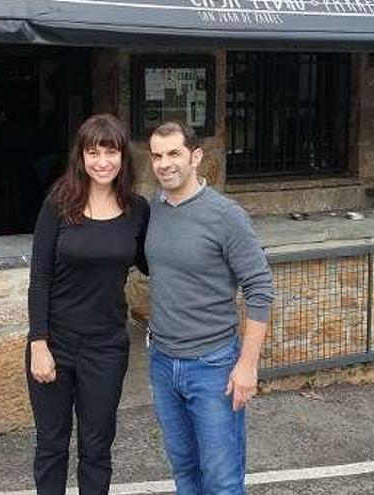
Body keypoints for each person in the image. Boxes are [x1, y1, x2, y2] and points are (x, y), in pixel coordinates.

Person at [145, 121, 274, 495]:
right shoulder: (153, 210)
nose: (164, 163)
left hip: (213, 366)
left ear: (195, 156)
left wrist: (247, 364)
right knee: (185, 473)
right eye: (157, 155)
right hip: (163, 362)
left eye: (174, 153)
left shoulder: (225, 216)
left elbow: (260, 288)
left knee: (221, 480)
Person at [27, 113, 149, 495]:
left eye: (110, 152)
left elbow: (157, 261)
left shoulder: (137, 210)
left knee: (97, 448)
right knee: (52, 445)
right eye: (93, 152)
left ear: (123, 157)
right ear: (80, 157)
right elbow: (39, 277)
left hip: (107, 346)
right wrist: (38, 343)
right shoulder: (59, 203)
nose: (102, 162)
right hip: (56, 343)